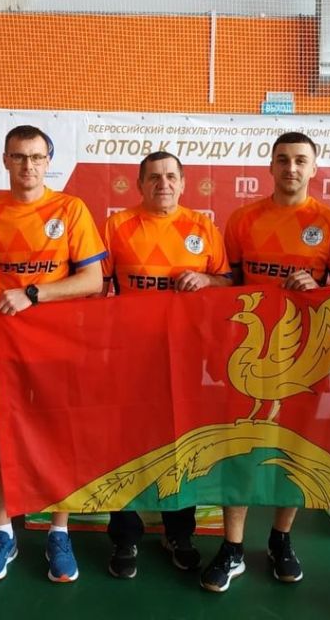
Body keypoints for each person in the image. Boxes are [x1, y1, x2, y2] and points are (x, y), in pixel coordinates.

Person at [199, 131, 330, 592]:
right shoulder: (243, 220)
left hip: (307, 356)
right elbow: (227, 284)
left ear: (314, 168)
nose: (291, 168)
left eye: (300, 160)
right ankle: (232, 546)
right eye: (283, 159)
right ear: (270, 166)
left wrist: (319, 289)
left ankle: (280, 539)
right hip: (248, 354)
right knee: (238, 444)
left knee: (297, 446)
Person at [0, 125, 106, 583]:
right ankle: (3, 532)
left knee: (59, 435)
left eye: (35, 157)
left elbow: (93, 280)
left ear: (48, 162)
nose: (27, 165)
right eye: (18, 156)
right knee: (1, 437)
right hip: (4, 345)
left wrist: (33, 293)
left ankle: (58, 532)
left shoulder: (71, 209)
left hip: (59, 345)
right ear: (5, 161)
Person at [100, 151, 233, 579]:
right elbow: (95, 286)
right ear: (140, 184)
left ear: (183, 183)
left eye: (171, 176)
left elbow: (229, 283)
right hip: (128, 357)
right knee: (125, 445)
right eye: (154, 177)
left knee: (183, 443)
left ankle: (179, 533)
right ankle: (124, 535)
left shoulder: (203, 228)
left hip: (185, 357)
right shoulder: (117, 226)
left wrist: (208, 280)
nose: (163, 184)